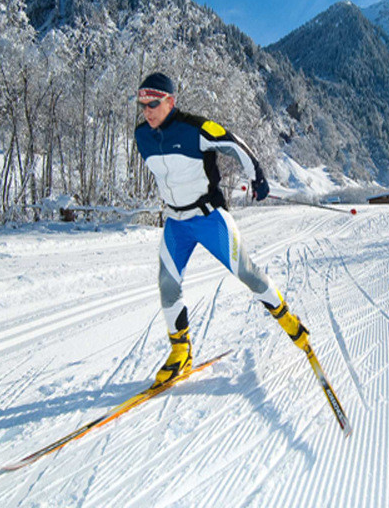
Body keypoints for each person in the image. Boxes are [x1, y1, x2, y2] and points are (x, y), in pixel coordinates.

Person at [133, 72, 310, 387]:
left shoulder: (194, 128)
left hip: (209, 218)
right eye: (142, 104)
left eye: (154, 104)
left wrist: (257, 175)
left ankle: (290, 322)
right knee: (168, 285)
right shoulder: (141, 135)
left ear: (170, 102)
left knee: (247, 273)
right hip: (176, 224)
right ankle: (181, 352)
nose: (147, 111)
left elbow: (232, 142)